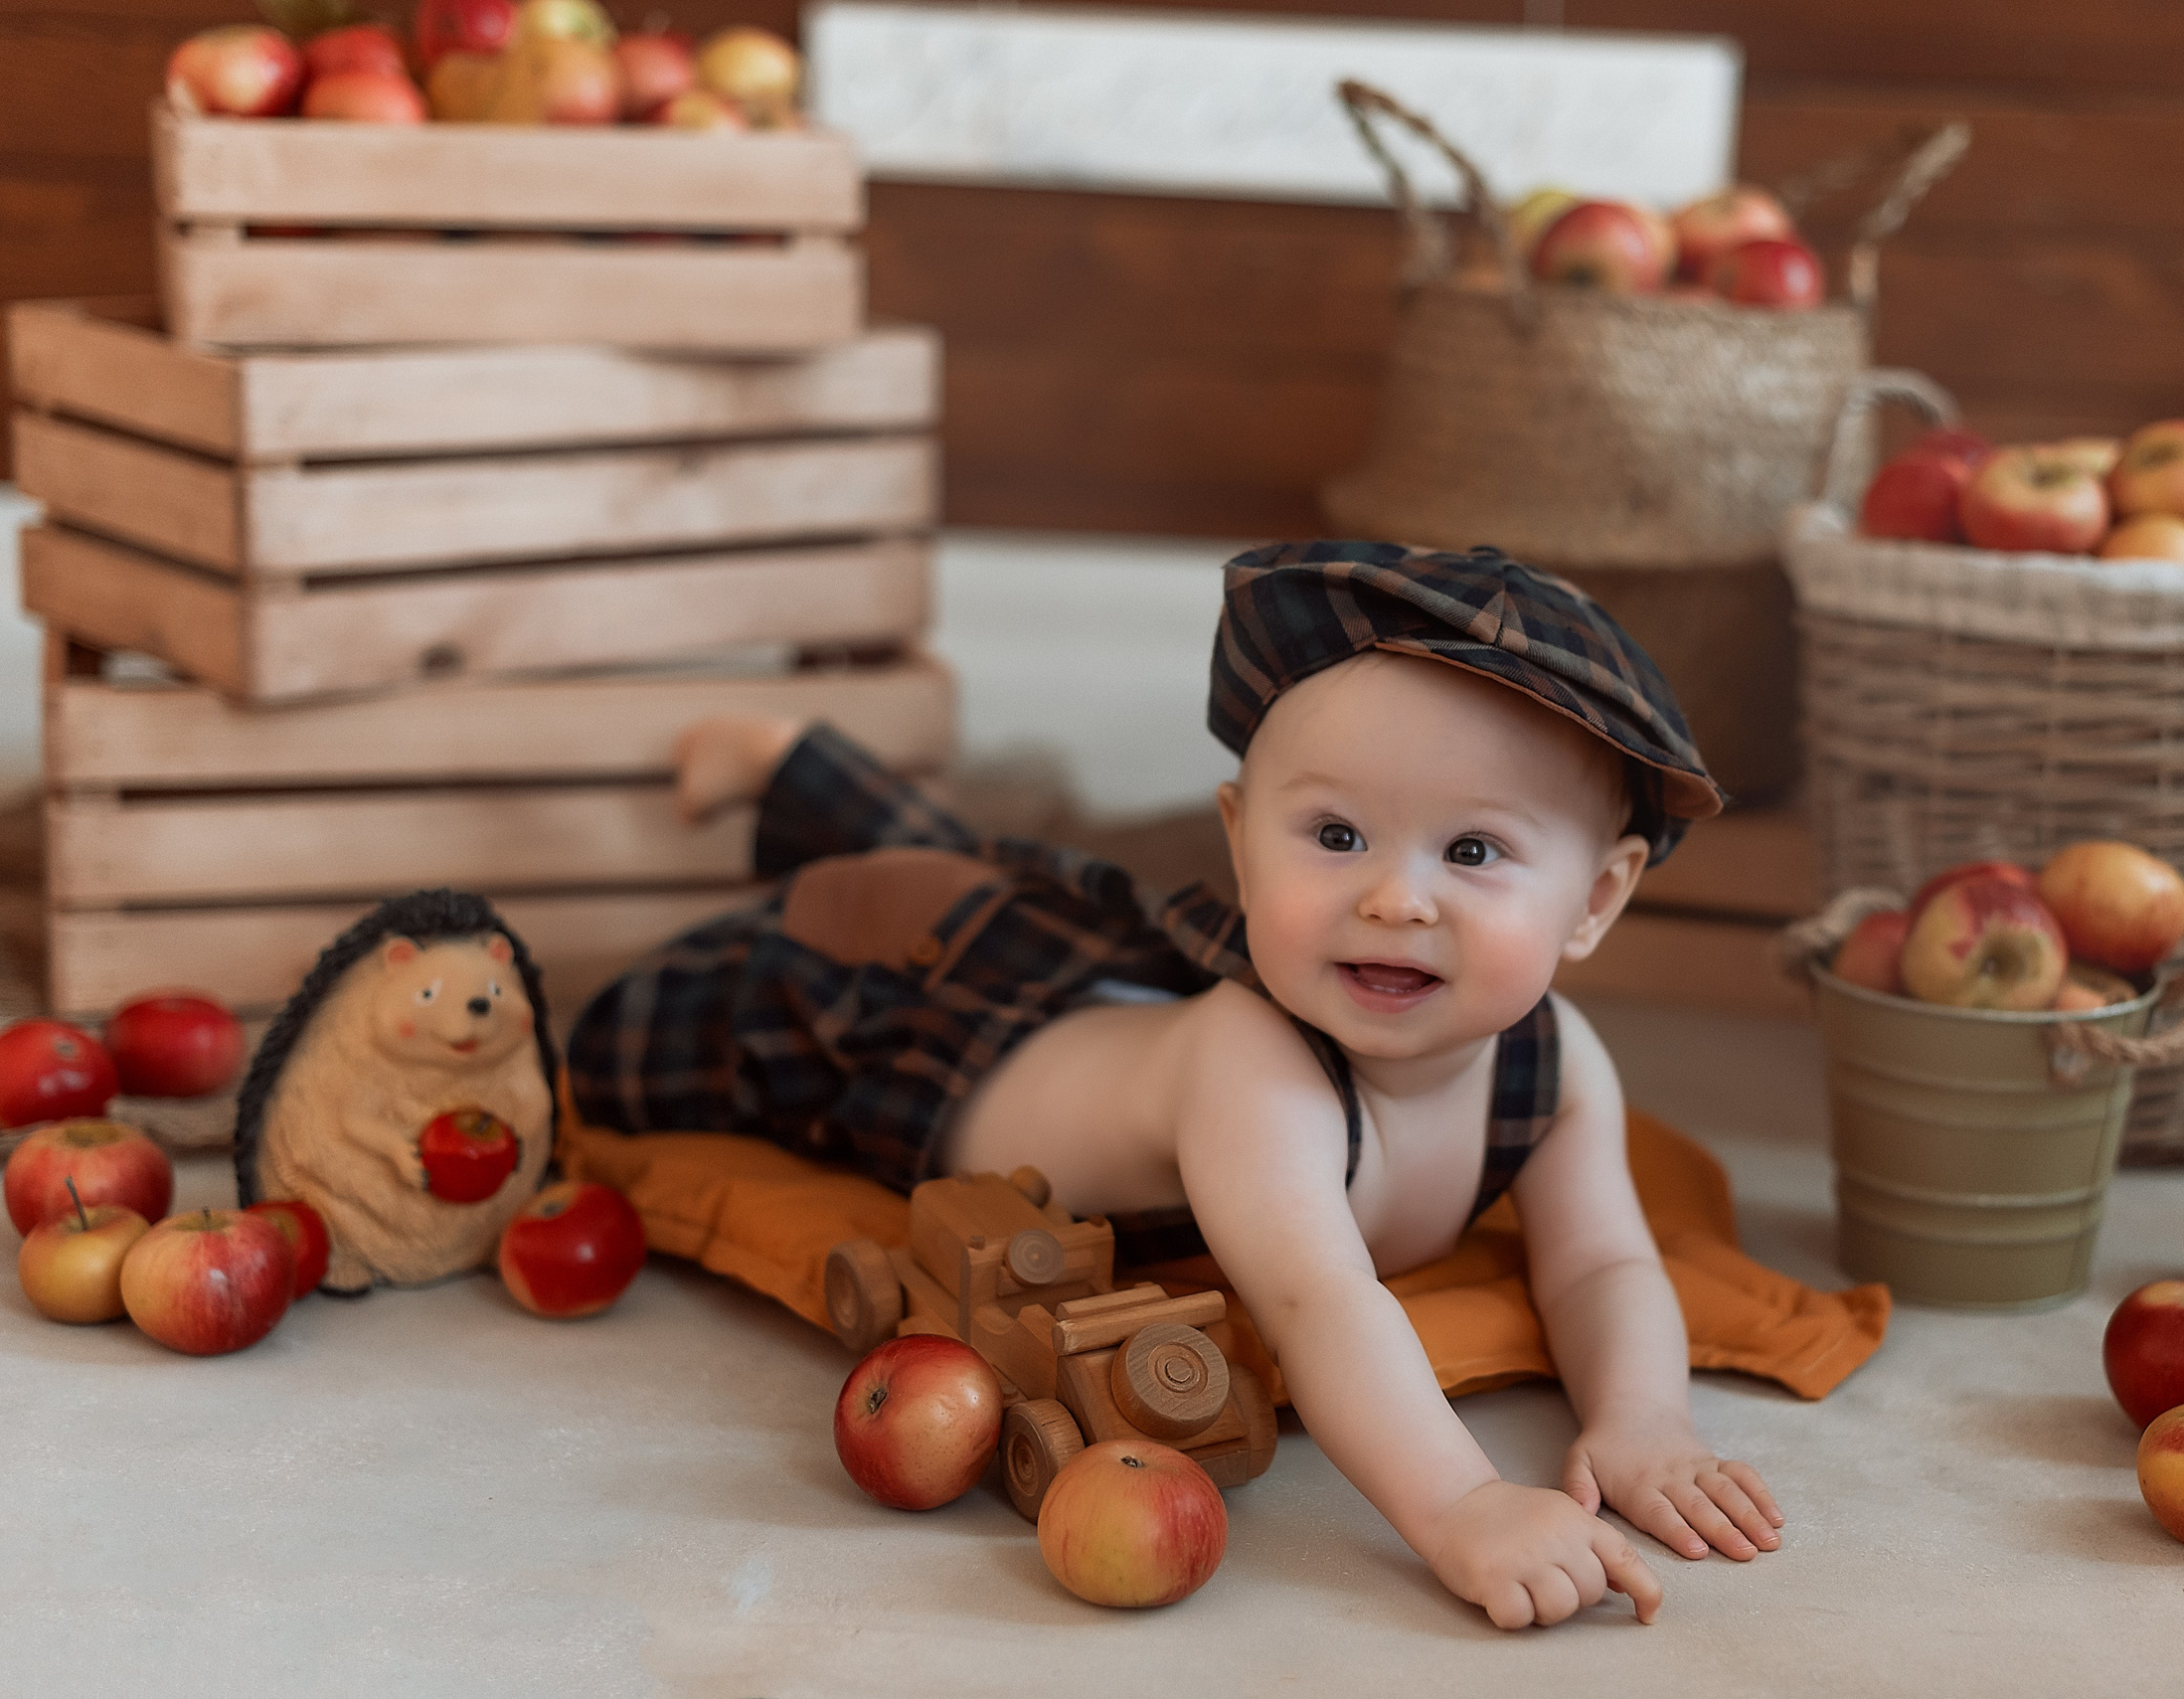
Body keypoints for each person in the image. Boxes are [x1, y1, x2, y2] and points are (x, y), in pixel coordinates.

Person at [569, 540, 1782, 1628]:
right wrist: (1463, 1500)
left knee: (980, 871)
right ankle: (784, 765)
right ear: (1240, 839)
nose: (1393, 898)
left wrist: (1642, 1418)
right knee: (862, 932)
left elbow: (1601, 1262)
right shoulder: (1258, 1068)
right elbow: (1318, 1300)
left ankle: (790, 764)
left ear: (1596, 899)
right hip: (942, 1039)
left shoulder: (1556, 1062)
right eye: (1335, 835)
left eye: (1472, 850)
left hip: (1119, 986)